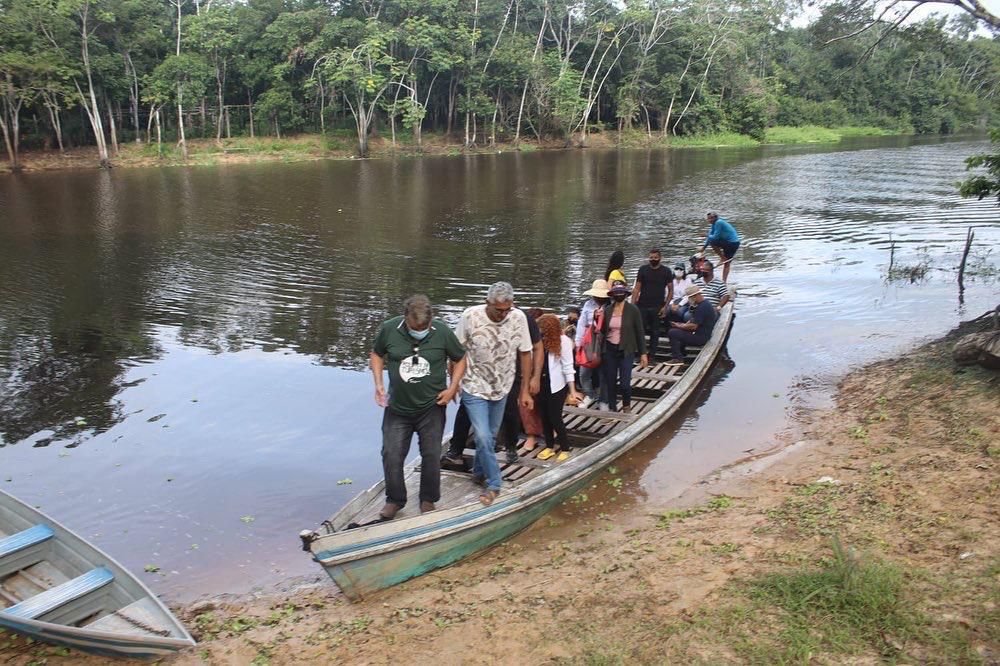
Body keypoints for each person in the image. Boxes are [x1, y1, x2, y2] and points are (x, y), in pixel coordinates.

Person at [370, 295, 467, 519]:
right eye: (416, 328)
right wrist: (378, 384)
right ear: (405, 319)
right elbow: (376, 354)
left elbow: (460, 358)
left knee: (431, 454)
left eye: (424, 327)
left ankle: (428, 499)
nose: (420, 331)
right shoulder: (389, 329)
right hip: (398, 408)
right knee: (391, 454)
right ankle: (395, 500)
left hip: (431, 406)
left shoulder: (442, 332)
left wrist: (453, 387)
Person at [455, 282, 533, 506]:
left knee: (489, 434)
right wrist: (454, 383)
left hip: (503, 386)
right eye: (499, 310)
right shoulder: (470, 316)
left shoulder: (518, 318)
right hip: (474, 385)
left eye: (507, 309)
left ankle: (479, 472)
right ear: (487, 303)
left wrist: (525, 389)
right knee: (483, 437)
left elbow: (526, 353)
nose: (503, 314)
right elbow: (456, 350)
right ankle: (495, 483)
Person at [534, 314, 582, 462]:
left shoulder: (564, 342)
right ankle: (549, 446)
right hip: (541, 383)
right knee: (544, 416)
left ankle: (565, 447)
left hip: (557, 385)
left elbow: (568, 367)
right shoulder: (539, 341)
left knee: (555, 417)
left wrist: (572, 390)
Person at [600, 281, 648, 412]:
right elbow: (603, 331)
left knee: (625, 383)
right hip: (610, 349)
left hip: (626, 349)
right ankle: (612, 407)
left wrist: (643, 353)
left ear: (626, 295)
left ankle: (626, 405)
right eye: (616, 293)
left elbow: (639, 332)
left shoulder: (633, 310)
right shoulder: (608, 310)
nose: (619, 295)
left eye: (621, 293)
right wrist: (597, 319)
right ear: (612, 295)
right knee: (610, 381)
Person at [632, 248, 672, 359]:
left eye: (655, 258)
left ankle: (652, 356)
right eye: (651, 258)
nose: (653, 259)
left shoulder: (666, 271)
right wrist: (632, 304)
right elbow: (637, 288)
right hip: (642, 305)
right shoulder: (643, 270)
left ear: (660, 258)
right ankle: (641, 354)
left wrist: (666, 306)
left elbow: (670, 290)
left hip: (657, 306)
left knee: (655, 332)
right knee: (641, 330)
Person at [666, 285, 718, 366]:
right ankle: (681, 353)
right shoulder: (703, 304)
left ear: (695, 296)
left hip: (701, 337)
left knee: (672, 332)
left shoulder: (702, 307)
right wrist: (682, 325)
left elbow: (693, 326)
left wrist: (679, 326)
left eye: (690, 297)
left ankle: (678, 358)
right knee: (677, 330)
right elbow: (693, 320)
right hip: (700, 333)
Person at [575, 279, 609, 401]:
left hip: (605, 343)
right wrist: (578, 343)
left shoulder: (610, 306)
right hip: (589, 342)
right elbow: (581, 325)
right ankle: (590, 395)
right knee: (584, 374)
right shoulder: (588, 305)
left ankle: (603, 398)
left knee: (602, 374)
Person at [701, 212, 740, 282]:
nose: (709, 220)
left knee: (713, 242)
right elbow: (710, 236)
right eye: (708, 219)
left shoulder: (719, 222)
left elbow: (715, 237)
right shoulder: (714, 224)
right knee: (727, 263)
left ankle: (722, 258)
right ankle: (724, 282)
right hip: (731, 242)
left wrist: (706, 235)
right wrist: (703, 248)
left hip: (732, 243)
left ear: (715, 218)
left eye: (711, 218)